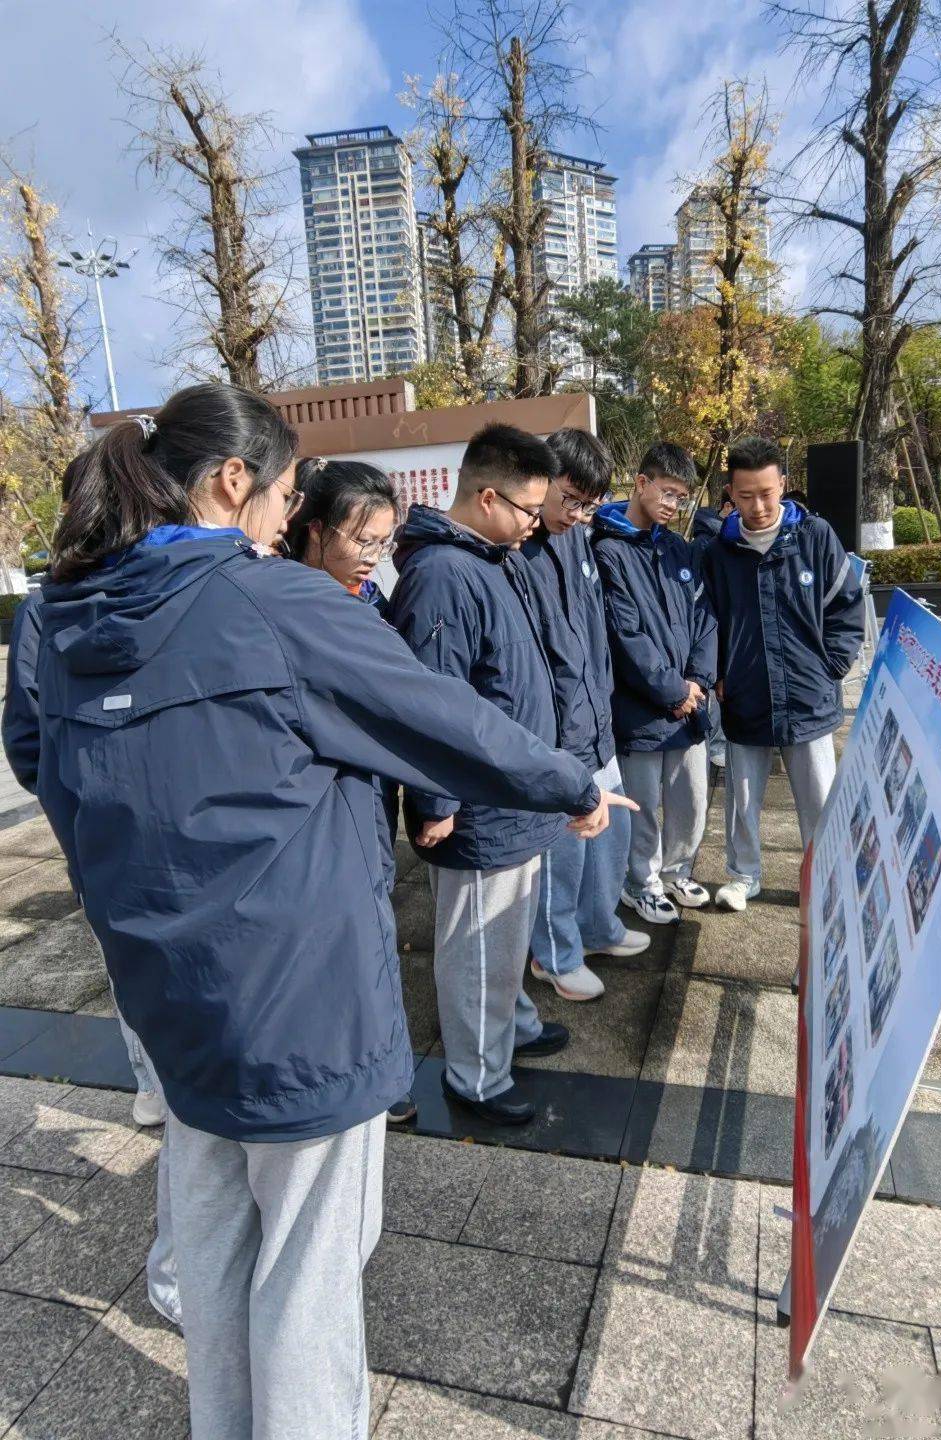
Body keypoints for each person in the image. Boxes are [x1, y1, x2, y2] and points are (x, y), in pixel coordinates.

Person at [32, 384, 627, 1440]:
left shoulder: (70, 614)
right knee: (309, 1274)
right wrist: (573, 786)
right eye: (286, 490)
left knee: (213, 1261)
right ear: (231, 482)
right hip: (301, 1002)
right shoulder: (268, 604)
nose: (287, 512)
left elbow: (52, 777)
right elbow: (445, 719)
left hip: (172, 998)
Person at [389, 424, 635, 1126]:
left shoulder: (492, 556)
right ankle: (474, 1077)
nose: (538, 523)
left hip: (514, 797)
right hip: (476, 807)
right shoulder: (441, 575)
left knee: (506, 939)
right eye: (530, 509)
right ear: (487, 496)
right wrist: (436, 801)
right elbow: (433, 704)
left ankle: (515, 1026)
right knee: (476, 951)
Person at [2, 464, 181, 1331]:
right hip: (108, 839)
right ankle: (149, 1078)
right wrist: (78, 815)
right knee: (127, 963)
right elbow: (29, 739)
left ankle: (158, 1079)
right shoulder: (49, 609)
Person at [283, 456, 418, 1125]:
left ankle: (378, 1071)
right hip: (313, 816)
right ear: (312, 527)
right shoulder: (284, 606)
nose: (374, 557)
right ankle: (355, 1079)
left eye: (384, 543)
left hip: (368, 801)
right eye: (362, 541)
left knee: (373, 927)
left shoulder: (368, 600)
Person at [511, 428, 649, 1002]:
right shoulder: (519, 550)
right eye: (569, 499)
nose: (577, 513)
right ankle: (555, 954)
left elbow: (592, 634)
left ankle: (599, 927)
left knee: (610, 838)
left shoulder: (578, 539)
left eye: (589, 504)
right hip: (556, 735)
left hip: (596, 722)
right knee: (561, 852)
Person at [699, 436, 864, 912]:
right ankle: (743, 875)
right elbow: (707, 622)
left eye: (767, 493)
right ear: (730, 492)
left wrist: (830, 667)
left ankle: (826, 878)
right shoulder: (719, 551)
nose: (758, 505)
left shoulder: (814, 537)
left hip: (809, 696)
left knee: (819, 797)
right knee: (742, 796)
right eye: (746, 495)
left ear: (784, 486)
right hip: (745, 693)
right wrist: (716, 675)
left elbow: (846, 607)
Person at [591, 442, 717, 926]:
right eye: (667, 492)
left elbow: (705, 617)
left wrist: (699, 682)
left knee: (691, 797)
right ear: (640, 483)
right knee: (641, 807)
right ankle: (640, 883)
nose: (672, 504)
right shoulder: (608, 551)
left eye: (681, 497)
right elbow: (625, 637)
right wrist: (673, 691)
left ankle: (678, 870)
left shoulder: (678, 548)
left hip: (690, 705)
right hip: (642, 709)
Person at [690, 490, 735, 777]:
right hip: (710, 630)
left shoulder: (732, 539)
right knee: (711, 688)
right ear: (728, 506)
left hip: (726, 632)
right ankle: (716, 743)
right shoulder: (705, 545)